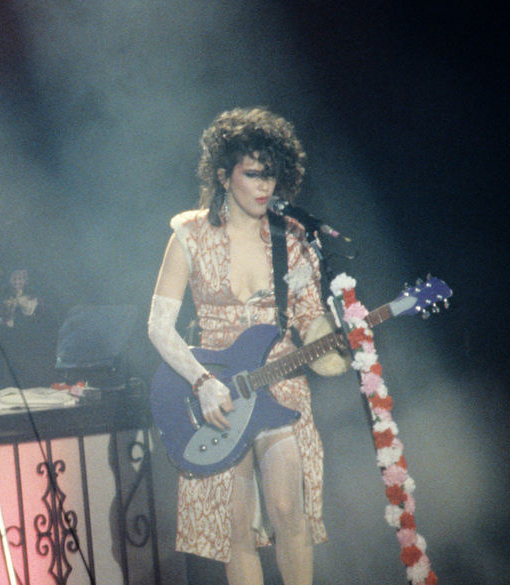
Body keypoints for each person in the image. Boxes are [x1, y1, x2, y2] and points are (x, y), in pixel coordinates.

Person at [148, 108, 336, 585]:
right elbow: (159, 327)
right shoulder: (189, 235)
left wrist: (338, 344)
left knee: (288, 508)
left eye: (270, 175)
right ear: (222, 174)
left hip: (280, 385)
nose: (264, 186)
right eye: (252, 174)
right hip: (219, 393)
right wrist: (204, 382)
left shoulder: (290, 239)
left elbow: (312, 320)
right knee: (236, 530)